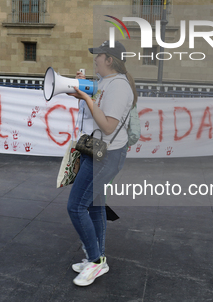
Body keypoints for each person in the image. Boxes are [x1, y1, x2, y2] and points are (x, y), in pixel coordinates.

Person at [66, 40, 137, 287]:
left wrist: (88, 98)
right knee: (95, 206)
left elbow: (107, 125)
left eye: (99, 55)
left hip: (107, 155)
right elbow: (93, 112)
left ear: (110, 60)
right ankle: (99, 260)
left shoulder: (119, 87)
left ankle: (95, 261)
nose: (94, 59)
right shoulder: (106, 83)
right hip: (97, 151)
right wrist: (82, 92)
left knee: (76, 207)